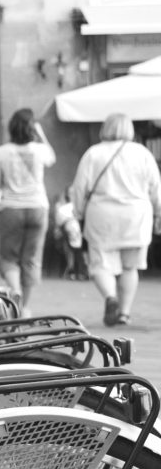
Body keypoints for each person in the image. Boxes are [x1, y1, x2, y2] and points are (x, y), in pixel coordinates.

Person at [72, 112, 161, 326]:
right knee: (130, 267)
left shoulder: (93, 154)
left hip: (102, 214)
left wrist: (78, 212)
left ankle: (111, 298)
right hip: (136, 215)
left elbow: (79, 188)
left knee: (100, 264)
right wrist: (159, 212)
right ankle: (124, 313)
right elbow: (156, 187)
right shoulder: (142, 153)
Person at [0, 107, 56, 315]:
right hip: (38, 208)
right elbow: (52, 157)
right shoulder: (40, 150)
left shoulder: (2, 152)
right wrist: (41, 133)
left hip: (11, 208)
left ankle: (15, 292)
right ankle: (25, 307)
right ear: (31, 129)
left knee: (8, 258)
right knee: (31, 259)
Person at [52, 188, 88, 280]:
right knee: (72, 247)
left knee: (76, 248)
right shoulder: (64, 208)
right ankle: (74, 270)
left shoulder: (76, 206)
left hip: (79, 231)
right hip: (71, 231)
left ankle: (77, 271)